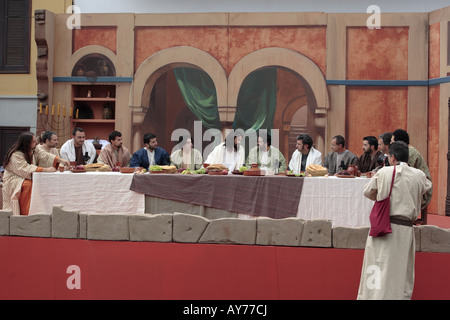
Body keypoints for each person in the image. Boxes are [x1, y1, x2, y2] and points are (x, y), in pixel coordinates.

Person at [357, 141, 432, 300]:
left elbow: (367, 191)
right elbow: (427, 186)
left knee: (377, 267)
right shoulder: (418, 175)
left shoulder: (384, 173)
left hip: (383, 227)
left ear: (392, 157)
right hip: (405, 230)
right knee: (401, 273)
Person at [2, 132, 70, 216]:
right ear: (26, 143)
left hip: (28, 176)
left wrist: (61, 160)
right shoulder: (16, 154)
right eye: (33, 141)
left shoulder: (34, 150)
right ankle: (24, 213)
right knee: (28, 185)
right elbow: (25, 169)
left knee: (44, 183)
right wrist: (45, 169)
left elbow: (45, 156)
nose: (36, 143)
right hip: (14, 178)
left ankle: (43, 211)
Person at [391, 129, 432, 209]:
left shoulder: (410, 152)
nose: (390, 143)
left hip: (422, 189)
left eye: (392, 141)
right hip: (412, 184)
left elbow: (405, 172)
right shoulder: (405, 151)